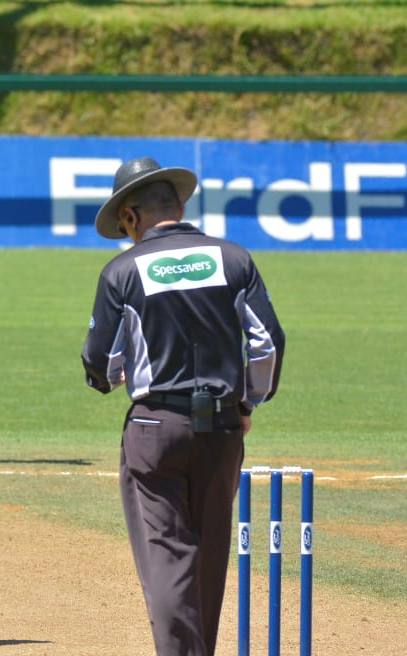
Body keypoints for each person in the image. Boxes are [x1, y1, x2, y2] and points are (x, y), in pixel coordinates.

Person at [81, 157, 285, 656]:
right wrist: (247, 402)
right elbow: (267, 343)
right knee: (210, 557)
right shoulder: (233, 258)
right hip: (223, 428)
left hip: (155, 429)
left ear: (131, 216)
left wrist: (112, 376)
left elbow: (100, 363)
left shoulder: (122, 271)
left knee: (168, 559)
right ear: (180, 206)